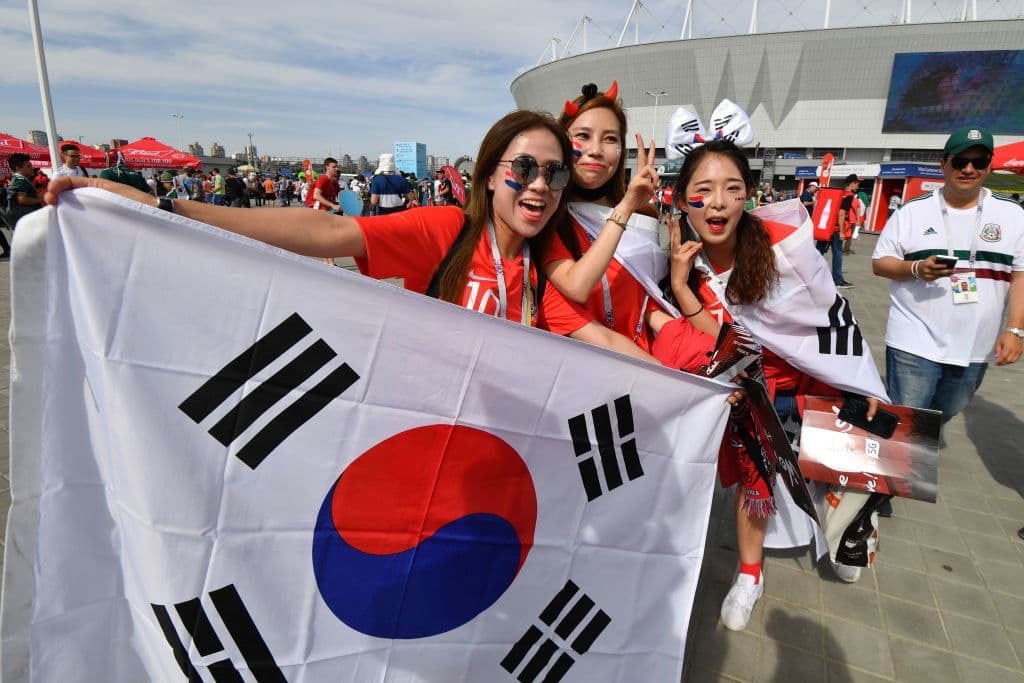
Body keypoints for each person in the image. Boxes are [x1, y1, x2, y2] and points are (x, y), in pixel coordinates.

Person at [45, 111, 658, 362]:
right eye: (522, 168)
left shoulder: (531, 269)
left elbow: (600, 335)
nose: (539, 185)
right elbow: (327, 229)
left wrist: (688, 388)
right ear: (490, 174)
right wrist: (160, 205)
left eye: (553, 174)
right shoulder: (448, 230)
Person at [654, 138, 887, 631]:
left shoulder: (786, 255)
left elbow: (830, 325)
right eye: (703, 190)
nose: (717, 201)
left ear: (748, 197)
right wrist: (678, 287)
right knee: (754, 490)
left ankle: (847, 541)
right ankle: (749, 574)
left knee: (833, 482)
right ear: (681, 200)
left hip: (811, 396)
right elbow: (721, 345)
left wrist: (853, 384)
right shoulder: (681, 267)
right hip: (751, 402)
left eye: (732, 189)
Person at [872, 125, 1023, 433]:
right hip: (914, 336)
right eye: (960, 161)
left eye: (978, 162)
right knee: (908, 418)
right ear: (944, 164)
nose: (968, 169)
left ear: (989, 166)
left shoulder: (1012, 215)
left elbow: (1020, 275)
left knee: (948, 408)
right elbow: (879, 262)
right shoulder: (913, 211)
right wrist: (915, 269)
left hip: (976, 344)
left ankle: (919, 446)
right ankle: (904, 471)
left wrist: (1016, 329)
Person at [547, 81, 664, 352]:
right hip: (579, 366)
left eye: (610, 138)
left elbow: (650, 301)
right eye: (583, 136)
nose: (596, 150)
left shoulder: (644, 214)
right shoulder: (546, 216)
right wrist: (625, 208)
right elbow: (577, 287)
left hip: (644, 365)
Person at [816, 174, 856, 289]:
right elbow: (842, 213)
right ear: (852, 183)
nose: (857, 186)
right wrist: (842, 232)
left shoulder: (838, 194)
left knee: (818, 252)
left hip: (826, 227)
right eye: (857, 184)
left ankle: (807, 275)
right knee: (837, 254)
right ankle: (837, 280)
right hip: (837, 229)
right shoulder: (848, 196)